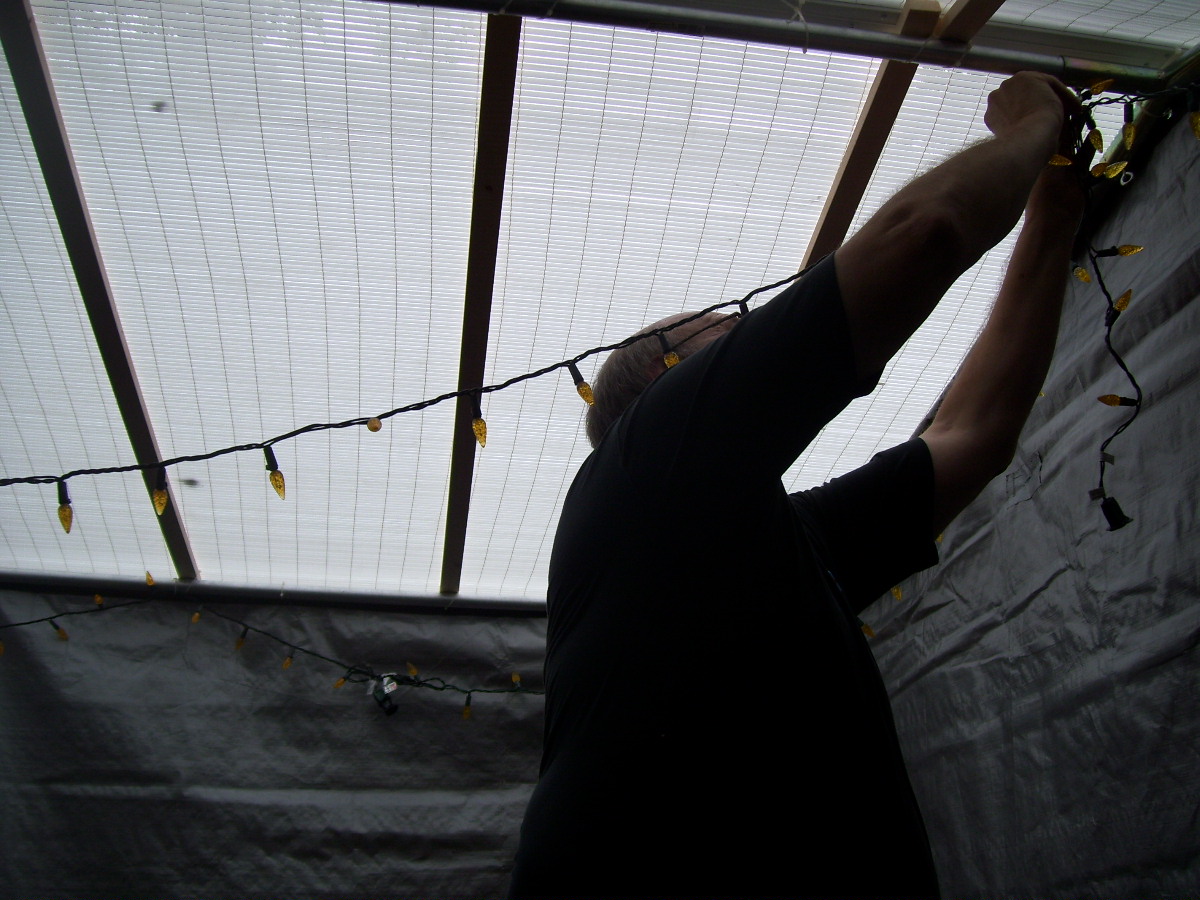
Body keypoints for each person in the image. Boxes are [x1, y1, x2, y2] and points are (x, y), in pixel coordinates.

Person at [509, 71, 1087, 899]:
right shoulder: (644, 464)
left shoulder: (785, 544)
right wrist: (1032, 127)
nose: (756, 329)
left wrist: (1056, 208)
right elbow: (925, 231)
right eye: (729, 328)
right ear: (670, 383)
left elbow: (975, 432)